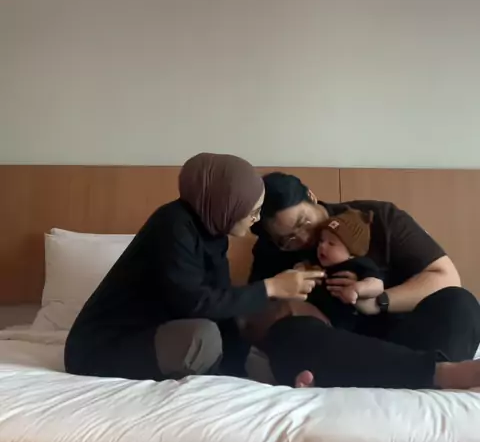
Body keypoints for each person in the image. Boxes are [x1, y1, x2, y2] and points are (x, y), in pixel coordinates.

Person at [64, 154, 323, 382]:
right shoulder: (172, 226)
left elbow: (222, 302)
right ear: (228, 203)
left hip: (152, 333)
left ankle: (221, 376)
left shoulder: (213, 233)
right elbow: (194, 303)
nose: (255, 220)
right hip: (101, 347)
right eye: (252, 211)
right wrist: (271, 287)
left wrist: (238, 376)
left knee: (237, 316)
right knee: (203, 339)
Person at [249, 172, 480, 389]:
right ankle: (435, 375)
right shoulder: (271, 251)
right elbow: (253, 320)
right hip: (340, 348)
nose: (304, 238)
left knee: (460, 302)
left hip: (406, 337)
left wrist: (380, 301)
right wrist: (289, 303)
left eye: (303, 222)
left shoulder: (376, 218)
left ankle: (426, 372)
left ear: (311, 196)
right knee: (286, 334)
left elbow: (444, 277)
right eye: (288, 239)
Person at [295, 208, 384, 330]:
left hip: (340, 324)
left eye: (331, 243)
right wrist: (301, 270)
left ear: (352, 253)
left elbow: (377, 285)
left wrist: (357, 289)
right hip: (310, 316)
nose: (322, 246)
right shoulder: (317, 262)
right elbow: (300, 268)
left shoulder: (357, 264)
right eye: (321, 241)